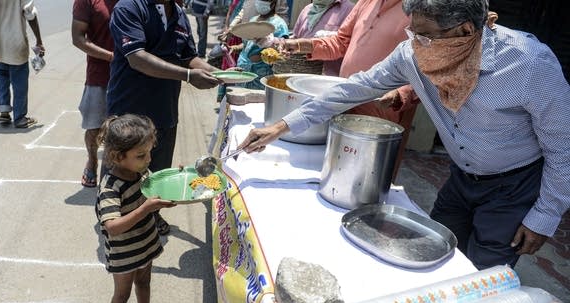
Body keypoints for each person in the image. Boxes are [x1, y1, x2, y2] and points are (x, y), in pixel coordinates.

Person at [239, 0, 570, 270]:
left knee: (486, 270)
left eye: (425, 36)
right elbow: (355, 88)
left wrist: (545, 214)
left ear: (465, 31)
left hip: (514, 185)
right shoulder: (413, 53)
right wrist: (283, 125)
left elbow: (563, 145)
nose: (415, 44)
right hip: (461, 177)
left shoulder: (529, 64)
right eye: (413, 32)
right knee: (437, 252)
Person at [107, 0, 221, 233]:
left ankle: (150, 215)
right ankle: (117, 222)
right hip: (130, 111)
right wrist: (188, 76)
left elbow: (188, 56)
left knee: (157, 170)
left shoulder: (179, 14)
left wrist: (221, 74)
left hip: (164, 110)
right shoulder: (129, 8)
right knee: (124, 171)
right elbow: (137, 58)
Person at [278, 0, 416, 178]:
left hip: (382, 109)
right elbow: (341, 40)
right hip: (345, 100)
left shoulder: (420, 8)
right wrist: (303, 45)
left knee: (367, 177)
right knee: (333, 167)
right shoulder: (367, 2)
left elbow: (428, 69)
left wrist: (402, 94)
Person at [96, 114, 177, 303]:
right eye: (141, 155)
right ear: (117, 156)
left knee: (144, 281)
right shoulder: (111, 187)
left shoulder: (139, 171)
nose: (148, 159)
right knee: (122, 295)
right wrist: (145, 209)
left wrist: (178, 179)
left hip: (145, 241)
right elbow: (112, 227)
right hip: (124, 251)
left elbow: (157, 185)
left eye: (150, 152)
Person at [0, 0, 44, 128]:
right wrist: (39, 40)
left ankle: (4, 110)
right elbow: (30, 14)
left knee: (2, 74)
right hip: (15, 42)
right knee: (19, 81)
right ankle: (20, 118)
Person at [72, 0, 118, 188]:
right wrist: (111, 57)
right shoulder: (88, 1)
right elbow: (78, 38)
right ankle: (92, 160)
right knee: (94, 127)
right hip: (99, 75)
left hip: (132, 73)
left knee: (127, 126)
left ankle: (118, 171)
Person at [234, 0, 289, 90]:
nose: (259, 3)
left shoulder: (279, 24)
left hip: (260, 74)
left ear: (273, 4)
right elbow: (248, 44)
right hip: (243, 71)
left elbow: (282, 51)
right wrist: (236, 47)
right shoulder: (253, 20)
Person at [291, 0, 354, 76]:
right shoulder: (307, 9)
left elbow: (350, 43)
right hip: (300, 75)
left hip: (329, 79)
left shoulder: (349, 9)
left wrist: (328, 36)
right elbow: (295, 38)